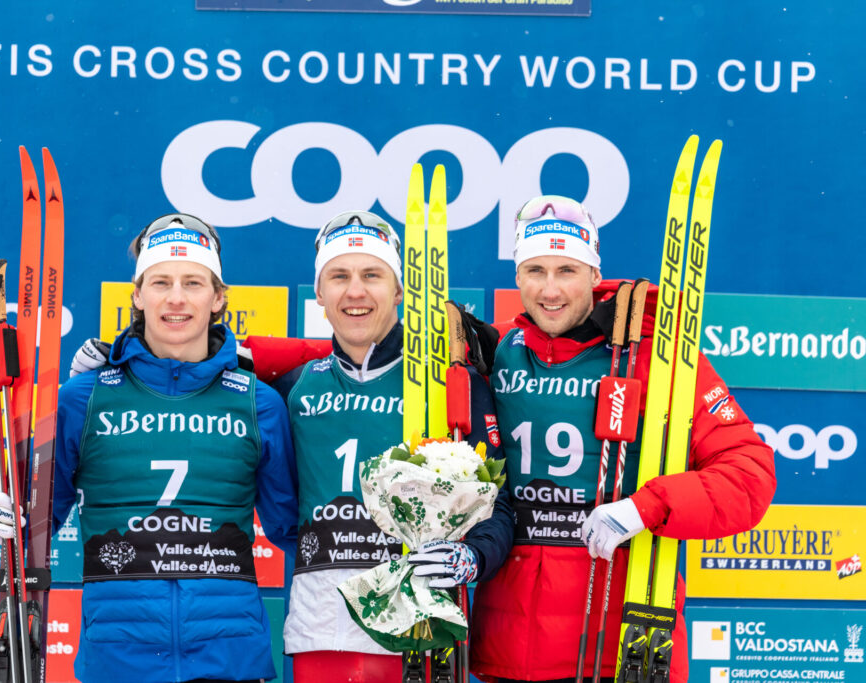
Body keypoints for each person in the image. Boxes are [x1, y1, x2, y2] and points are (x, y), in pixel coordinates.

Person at [0, 213, 299, 683]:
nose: (176, 298)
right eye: (160, 282)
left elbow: (297, 529)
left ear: (219, 297)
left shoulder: (257, 402)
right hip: (119, 658)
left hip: (230, 658)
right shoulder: (83, 398)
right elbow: (36, 519)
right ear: (138, 295)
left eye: (194, 282)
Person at [467, 196, 776, 683]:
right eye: (534, 270)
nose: (550, 289)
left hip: (622, 645)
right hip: (506, 647)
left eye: (567, 270)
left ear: (594, 274)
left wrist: (645, 507)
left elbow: (748, 474)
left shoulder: (656, 358)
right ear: (517, 276)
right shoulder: (497, 354)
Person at [242, 210, 514, 683]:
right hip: (320, 629)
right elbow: (284, 515)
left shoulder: (448, 384)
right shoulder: (293, 388)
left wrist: (473, 557)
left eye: (372, 275)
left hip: (421, 633)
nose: (355, 291)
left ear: (400, 290)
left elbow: (499, 505)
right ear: (320, 294)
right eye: (339, 276)